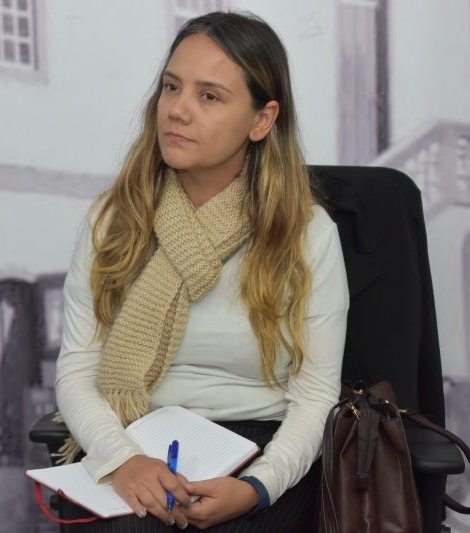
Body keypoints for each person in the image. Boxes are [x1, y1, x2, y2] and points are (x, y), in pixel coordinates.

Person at [55, 11, 349, 532]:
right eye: (172, 87)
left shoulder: (308, 235)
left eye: (209, 96)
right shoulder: (113, 221)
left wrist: (258, 486)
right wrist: (122, 459)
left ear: (262, 120)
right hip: (131, 437)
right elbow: (79, 370)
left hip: (261, 445)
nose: (177, 110)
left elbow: (314, 396)